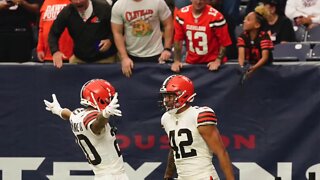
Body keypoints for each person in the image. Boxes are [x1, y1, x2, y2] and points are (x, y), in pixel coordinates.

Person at [43, 79, 129, 180]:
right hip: (113, 176)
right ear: (99, 98)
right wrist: (105, 113)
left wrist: (59, 110)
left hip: (101, 176)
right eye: (108, 99)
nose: (109, 101)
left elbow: (69, 115)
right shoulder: (92, 120)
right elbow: (96, 126)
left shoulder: (77, 115)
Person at [159, 75, 235, 180]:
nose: (166, 100)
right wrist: (167, 175)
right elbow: (175, 149)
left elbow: (221, 152)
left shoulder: (199, 115)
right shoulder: (166, 118)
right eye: (165, 96)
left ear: (183, 95)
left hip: (203, 176)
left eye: (170, 96)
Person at [111, 0, 174, 78]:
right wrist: (124, 57)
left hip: (157, 54)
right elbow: (117, 32)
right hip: (131, 56)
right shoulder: (119, 5)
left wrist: (167, 49)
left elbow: (168, 24)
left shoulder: (158, 2)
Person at [48, 0, 117, 68]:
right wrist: (55, 51)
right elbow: (53, 33)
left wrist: (110, 40)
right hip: (79, 59)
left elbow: (118, 29)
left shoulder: (103, 7)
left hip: (105, 59)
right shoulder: (66, 12)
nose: (78, 2)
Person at [171, 0, 232, 73]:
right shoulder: (181, 14)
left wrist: (218, 61)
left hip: (211, 63)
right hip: (191, 61)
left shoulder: (216, 17)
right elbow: (178, 40)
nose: (198, 2)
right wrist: (177, 61)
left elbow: (224, 42)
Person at [237, 5, 274, 78]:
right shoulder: (242, 36)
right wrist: (241, 68)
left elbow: (265, 57)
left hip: (267, 67)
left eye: (248, 20)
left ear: (257, 25)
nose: (244, 21)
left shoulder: (264, 36)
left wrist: (254, 68)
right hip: (250, 64)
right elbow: (241, 56)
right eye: (245, 19)